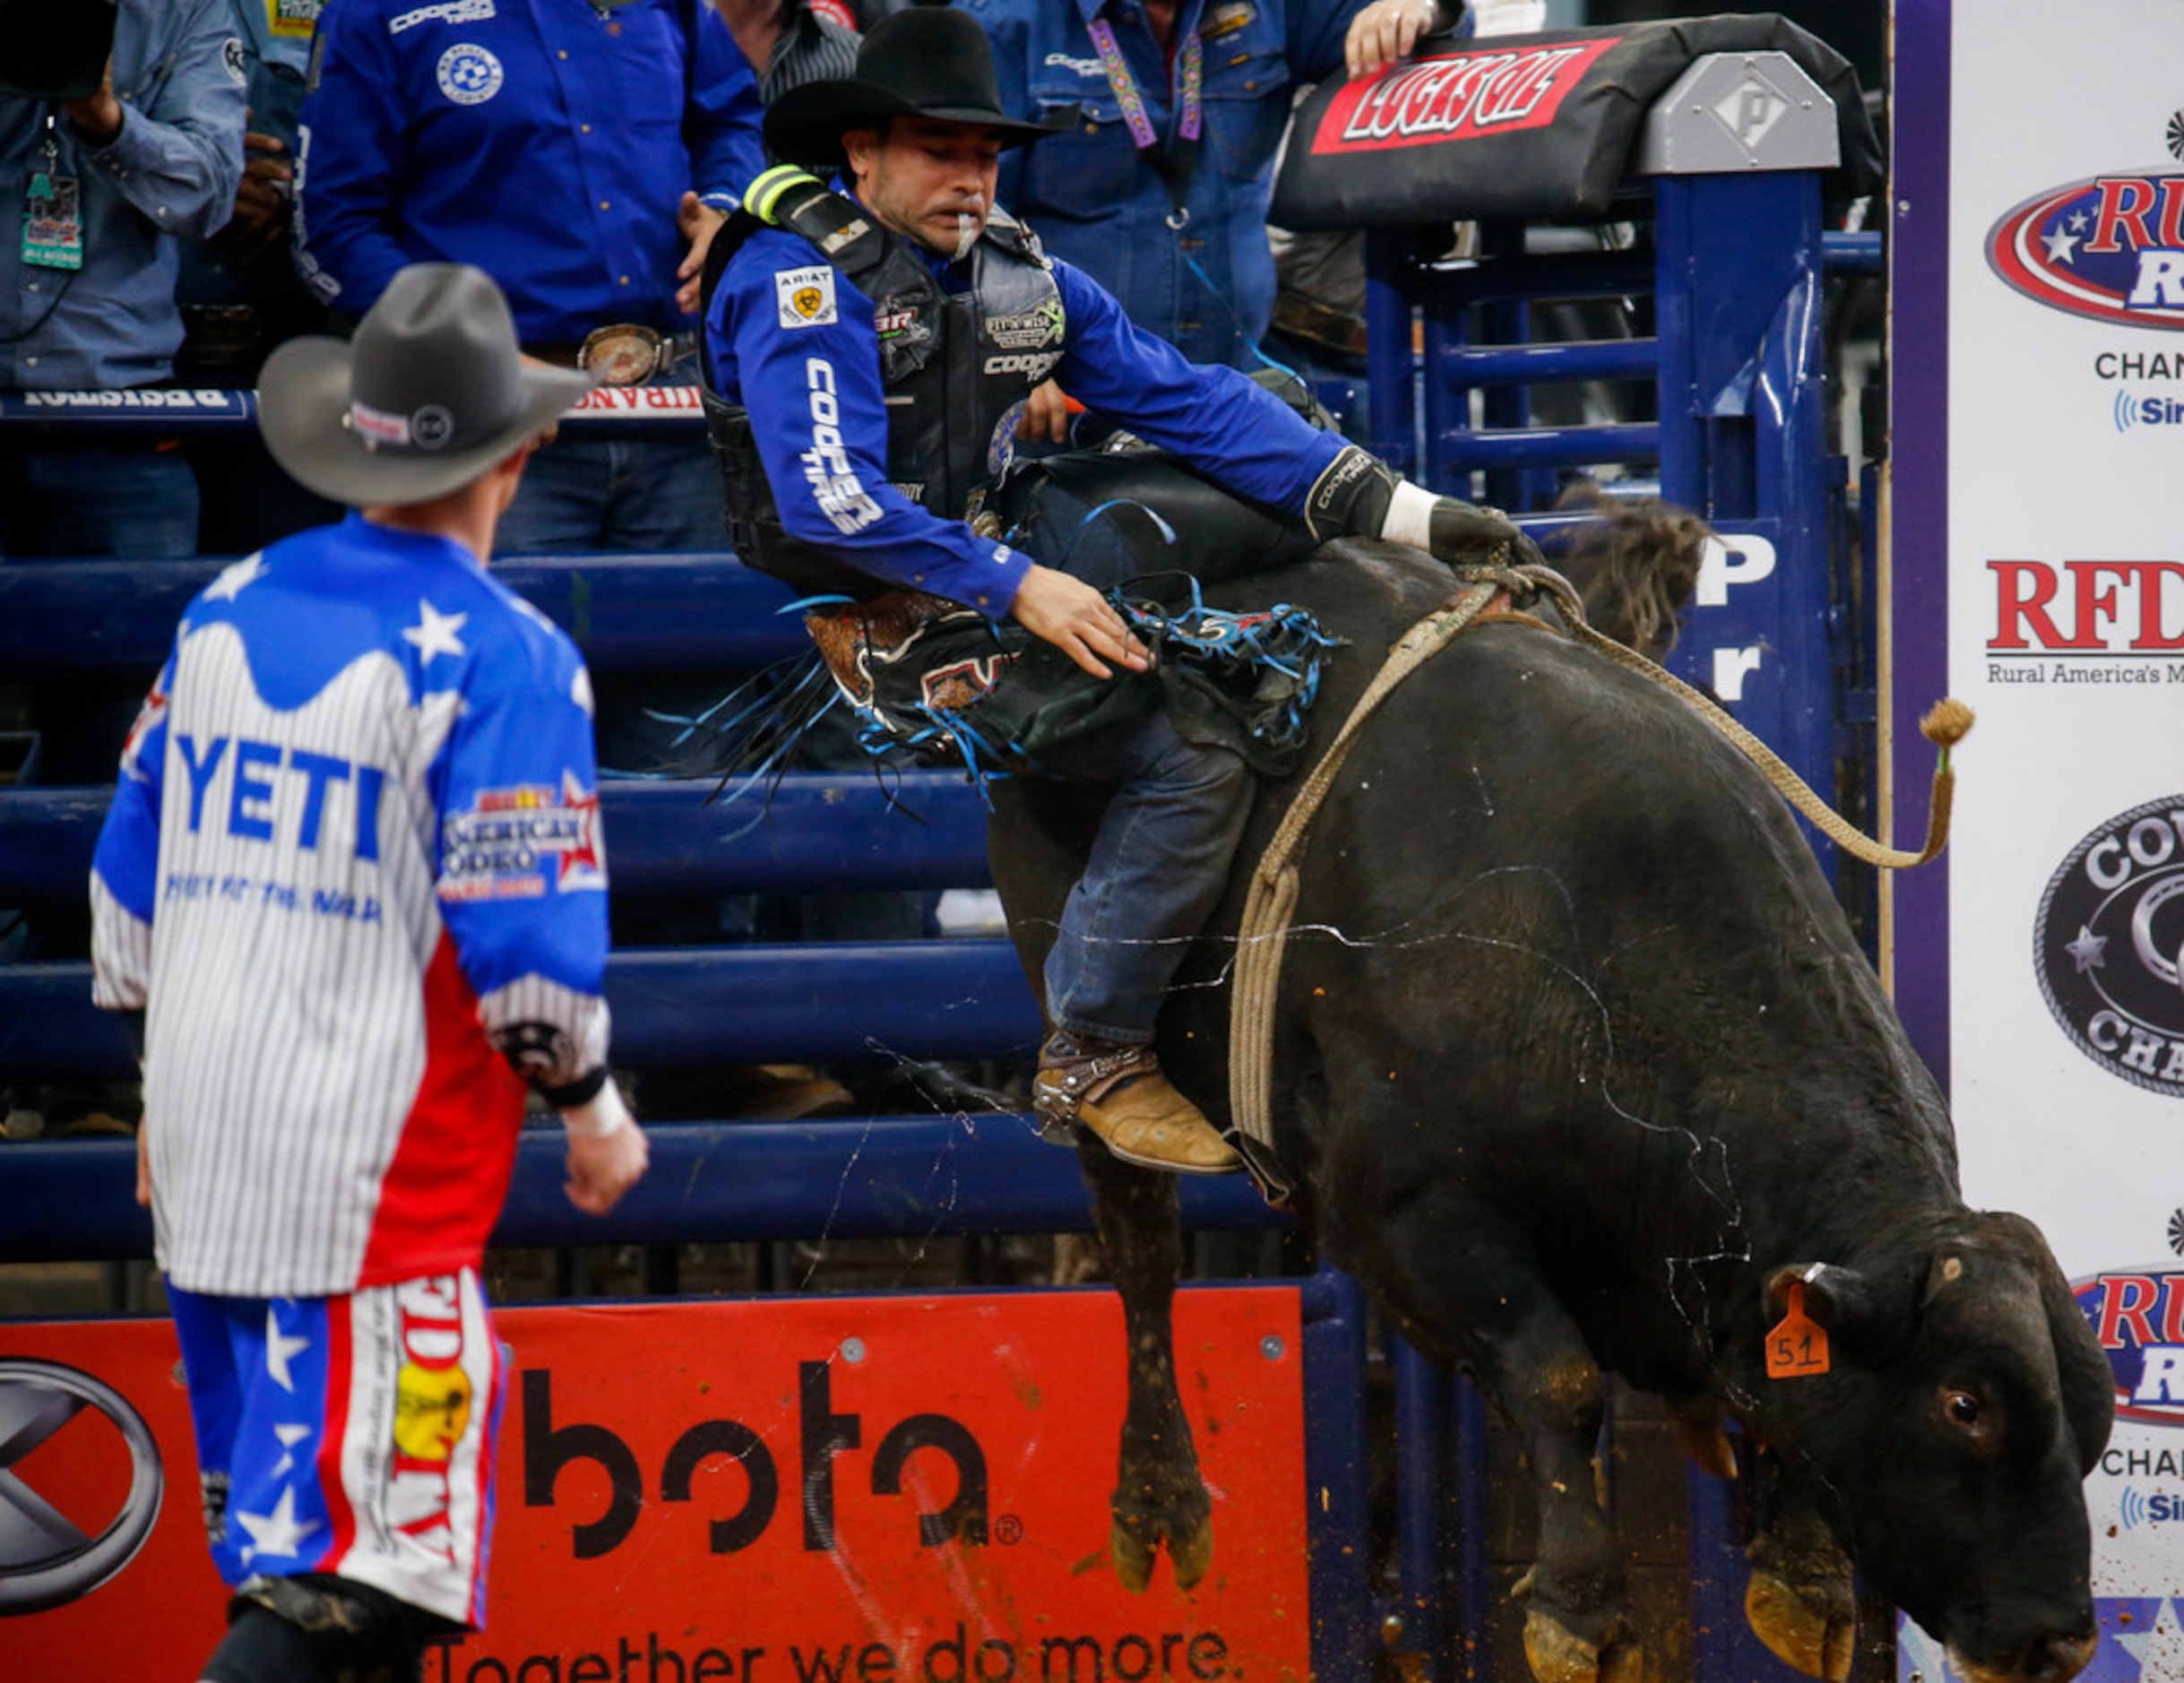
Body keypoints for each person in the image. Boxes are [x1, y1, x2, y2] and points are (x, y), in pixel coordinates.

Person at [703, 6, 1524, 1175]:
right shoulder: (793, 280)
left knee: (1262, 582)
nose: (969, 179)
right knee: (1189, 751)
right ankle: (1094, 1047)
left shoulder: (1016, 279)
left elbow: (1189, 397)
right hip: (859, 605)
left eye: (985, 155)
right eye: (939, 151)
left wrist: (1407, 512)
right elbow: (825, 498)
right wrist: (1018, 582)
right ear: (863, 153)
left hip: (980, 560)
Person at [88, 263, 649, 1683]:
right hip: (369, 1184)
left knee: (300, 1558)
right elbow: (523, 941)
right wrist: (589, 1106)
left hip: (207, 1149)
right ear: (519, 453)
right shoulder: (508, 659)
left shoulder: (227, 605)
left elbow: (127, 868)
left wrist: (158, 1087)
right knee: (361, 1583)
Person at [294, 0, 764, 553]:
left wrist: (724, 210)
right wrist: (461, 349)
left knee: (703, 636)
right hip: (486, 416)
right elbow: (333, 228)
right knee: (486, 637)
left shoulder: (676, 8)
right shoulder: (376, 13)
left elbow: (731, 118)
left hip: (679, 406)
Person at [0, 0, 246, 557]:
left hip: (120, 418)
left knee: (134, 639)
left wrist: (109, 122)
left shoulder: (184, 12)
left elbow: (209, 196)